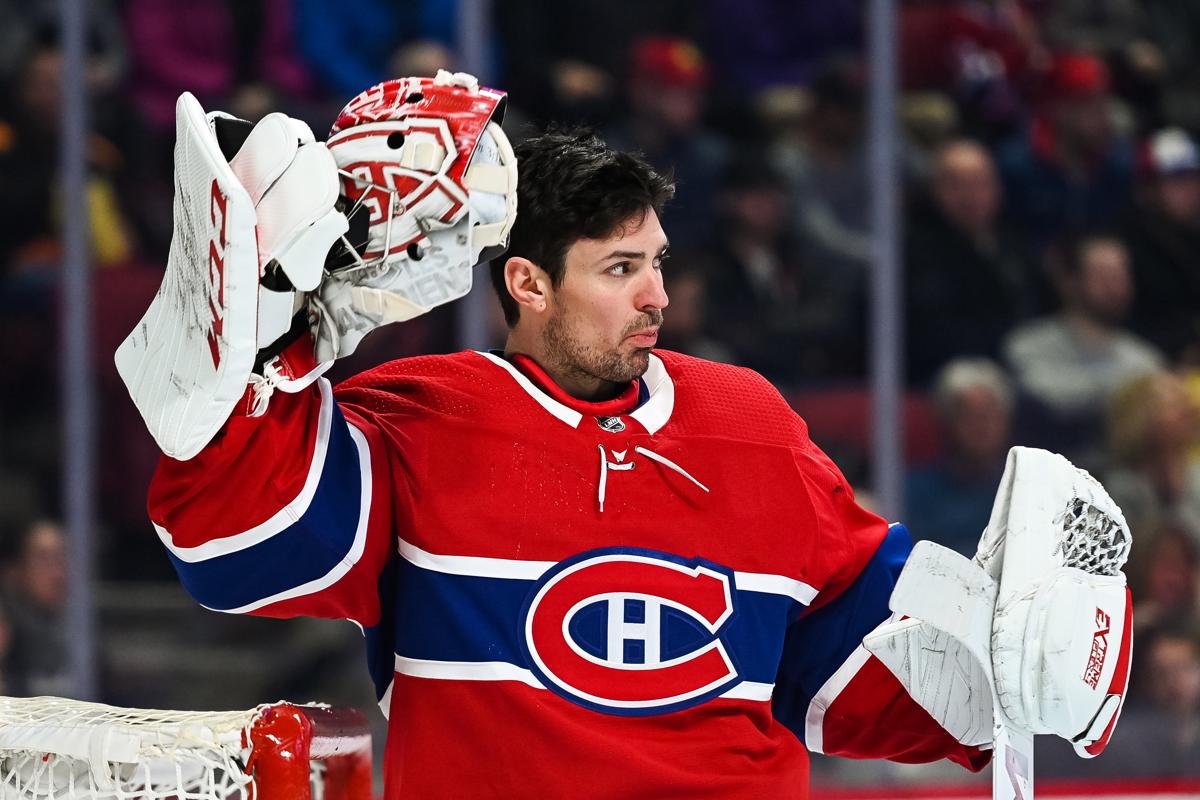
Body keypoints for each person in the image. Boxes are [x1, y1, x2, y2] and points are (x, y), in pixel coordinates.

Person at [120, 74, 1131, 798]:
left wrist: (1011, 664)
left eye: (656, 260)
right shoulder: (421, 416)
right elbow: (238, 551)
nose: (656, 295)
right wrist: (271, 358)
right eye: (618, 269)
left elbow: (837, 657)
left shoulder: (750, 423)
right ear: (527, 282)